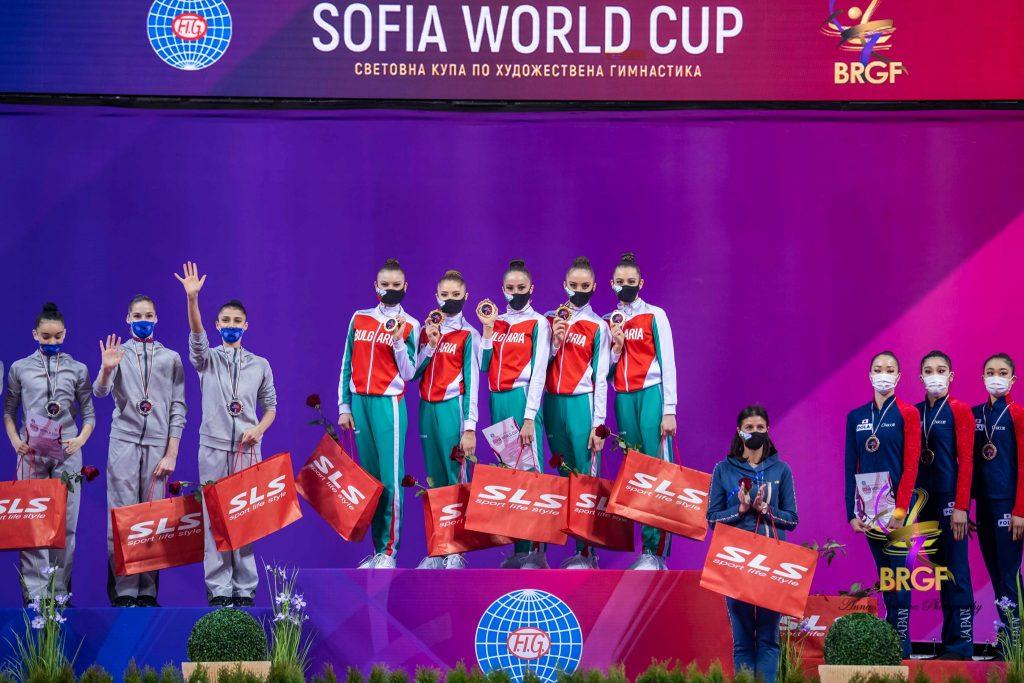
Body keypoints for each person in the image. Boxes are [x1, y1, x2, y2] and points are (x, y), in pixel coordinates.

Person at [174, 262, 277, 606]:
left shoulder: (260, 364)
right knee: (213, 519)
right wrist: (192, 300)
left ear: (246, 326)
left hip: (248, 450)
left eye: (237, 321)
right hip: (213, 449)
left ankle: (244, 588)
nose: (231, 326)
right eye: (225, 321)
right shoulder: (207, 360)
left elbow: (271, 407)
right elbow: (197, 338)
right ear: (217, 325)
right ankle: (219, 589)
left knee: (246, 519)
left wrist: (258, 429)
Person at [93, 296, 187, 607]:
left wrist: (172, 453)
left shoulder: (171, 358)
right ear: (128, 319)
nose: (143, 320)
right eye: (137, 315)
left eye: (148, 315)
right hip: (124, 441)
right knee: (121, 516)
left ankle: (147, 590)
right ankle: (124, 590)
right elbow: (100, 392)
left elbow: (178, 408)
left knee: (153, 518)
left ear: (156, 318)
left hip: (158, 445)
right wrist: (106, 369)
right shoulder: (118, 354)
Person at [4, 302, 95, 601]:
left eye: (57, 336)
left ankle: (59, 592)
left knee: (65, 526)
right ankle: (35, 594)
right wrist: (15, 441)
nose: (52, 341)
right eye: (46, 337)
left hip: (67, 452)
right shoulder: (19, 368)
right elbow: (9, 412)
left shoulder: (78, 369)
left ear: (65, 334)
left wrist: (80, 440)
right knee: (33, 525)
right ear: (35, 334)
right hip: (31, 453)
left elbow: (89, 414)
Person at [337, 258, 419, 569]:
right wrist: (344, 406)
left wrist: (398, 342)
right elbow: (346, 363)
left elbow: (410, 372)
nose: (390, 290)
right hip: (360, 404)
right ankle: (376, 552)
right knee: (369, 481)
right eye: (385, 285)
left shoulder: (410, 324)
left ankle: (389, 551)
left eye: (396, 285)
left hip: (389, 404)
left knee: (391, 479)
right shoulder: (359, 318)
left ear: (405, 287)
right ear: (376, 287)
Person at [707, 405, 798, 683]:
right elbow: (712, 519)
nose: (755, 432)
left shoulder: (781, 469)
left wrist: (766, 509)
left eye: (760, 427)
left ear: (768, 430)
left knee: (769, 639)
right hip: (736, 562)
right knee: (743, 640)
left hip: (771, 564)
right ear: (739, 432)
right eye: (749, 428)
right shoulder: (723, 469)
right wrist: (741, 510)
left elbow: (792, 519)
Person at [604, 252, 678, 570]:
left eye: (631, 281)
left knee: (656, 471)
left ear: (641, 283)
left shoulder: (655, 315)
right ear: (611, 284)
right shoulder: (609, 321)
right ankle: (644, 551)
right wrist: (615, 348)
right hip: (623, 398)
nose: (625, 286)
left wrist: (669, 409)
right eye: (620, 282)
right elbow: (604, 372)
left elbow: (668, 361)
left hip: (651, 395)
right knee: (634, 474)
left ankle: (655, 552)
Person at [845, 350, 920, 658]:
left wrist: (900, 511)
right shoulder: (856, 417)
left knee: (899, 574)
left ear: (898, 377)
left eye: (890, 369)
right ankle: (891, 639)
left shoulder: (908, 414)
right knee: (885, 574)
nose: (883, 374)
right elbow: (850, 466)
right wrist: (851, 513)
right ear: (870, 375)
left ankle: (902, 643)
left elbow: (911, 466)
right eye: (878, 368)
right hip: (869, 512)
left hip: (900, 512)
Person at [478, 258, 551, 569]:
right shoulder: (497, 322)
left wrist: (530, 416)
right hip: (497, 399)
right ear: (502, 289)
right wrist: (487, 329)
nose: (516, 293)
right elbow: (483, 365)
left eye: (521, 288)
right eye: (510, 288)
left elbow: (540, 371)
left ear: (531, 289)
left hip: (522, 399)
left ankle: (537, 551)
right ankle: (520, 550)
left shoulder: (538, 323)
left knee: (530, 474)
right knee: (509, 475)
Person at [544, 256, 609, 569]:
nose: (578, 291)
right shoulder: (549, 319)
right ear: (564, 285)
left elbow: (601, 377)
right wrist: (555, 343)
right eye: (573, 285)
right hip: (552, 404)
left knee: (585, 477)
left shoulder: (598, 326)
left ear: (594, 288)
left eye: (585, 286)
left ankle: (587, 553)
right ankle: (569, 549)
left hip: (581, 403)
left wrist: (599, 425)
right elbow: (538, 365)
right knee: (563, 476)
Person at [414, 269, 480, 569]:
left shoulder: (469, 335)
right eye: (444, 295)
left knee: (455, 479)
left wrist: (470, 427)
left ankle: (456, 550)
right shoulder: (426, 330)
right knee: (433, 481)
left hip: (453, 409)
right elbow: (412, 372)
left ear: (466, 297)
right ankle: (437, 549)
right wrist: (429, 343)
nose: (449, 299)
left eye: (455, 295)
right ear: (436, 296)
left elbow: (473, 383)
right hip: (426, 409)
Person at [915, 350, 974, 659]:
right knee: (940, 571)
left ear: (951, 376)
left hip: (952, 503)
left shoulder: (959, 410)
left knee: (957, 571)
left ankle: (961, 645)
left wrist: (962, 506)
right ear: (920, 377)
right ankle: (949, 643)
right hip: (924, 502)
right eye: (928, 370)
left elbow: (967, 462)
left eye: (940, 370)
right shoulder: (913, 412)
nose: (934, 375)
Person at [973, 353, 1024, 646]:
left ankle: (1017, 643)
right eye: (990, 372)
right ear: (982, 378)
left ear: (1012, 379)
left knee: (1009, 575)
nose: (996, 377)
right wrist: (965, 505)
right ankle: (1007, 639)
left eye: (1002, 373)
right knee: (995, 574)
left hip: (1008, 507)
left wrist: (1020, 510)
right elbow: (967, 462)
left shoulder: (1019, 415)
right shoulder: (975, 415)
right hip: (983, 506)